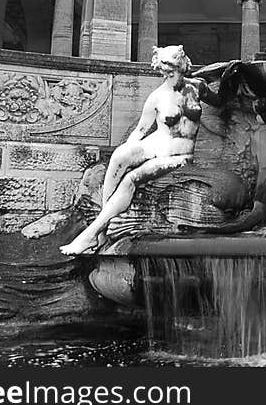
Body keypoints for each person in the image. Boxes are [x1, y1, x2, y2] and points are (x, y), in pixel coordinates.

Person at [60, 45, 203, 255]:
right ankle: (101, 229)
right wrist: (128, 149)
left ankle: (92, 234)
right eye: (168, 72)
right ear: (162, 71)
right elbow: (140, 130)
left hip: (180, 154)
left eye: (176, 71)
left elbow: (221, 97)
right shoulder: (157, 96)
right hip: (159, 144)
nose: (172, 76)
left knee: (130, 180)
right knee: (119, 156)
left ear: (183, 67)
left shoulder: (197, 87)